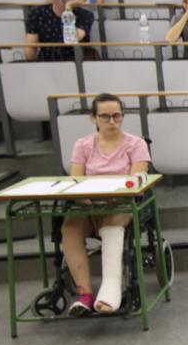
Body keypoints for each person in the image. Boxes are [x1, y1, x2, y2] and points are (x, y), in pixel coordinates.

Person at [62, 93, 152, 315]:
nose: (112, 121)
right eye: (105, 117)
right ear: (94, 118)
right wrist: (88, 201)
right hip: (89, 204)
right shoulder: (82, 145)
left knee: (113, 223)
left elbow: (136, 182)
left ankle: (109, 292)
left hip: (121, 205)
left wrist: (110, 197)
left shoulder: (136, 144)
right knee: (70, 227)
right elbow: (77, 181)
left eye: (117, 116)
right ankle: (85, 295)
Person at [25, 0, 94, 61]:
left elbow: (72, 38)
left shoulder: (85, 15)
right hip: (47, 64)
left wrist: (68, 8)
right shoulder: (37, 13)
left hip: (76, 64)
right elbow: (31, 47)